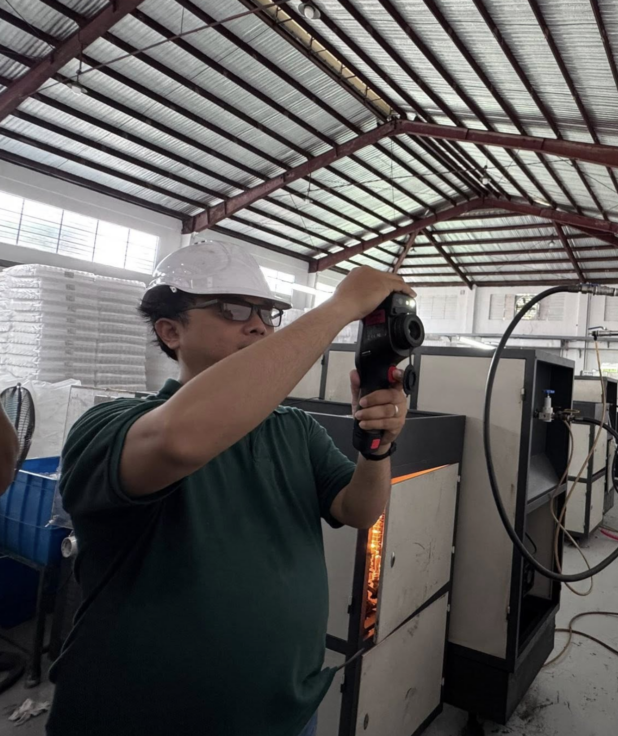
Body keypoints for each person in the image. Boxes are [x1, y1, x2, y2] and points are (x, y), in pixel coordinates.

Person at [48, 241, 414, 736]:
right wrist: (341, 306)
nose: (259, 324)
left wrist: (376, 448)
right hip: (143, 719)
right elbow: (180, 439)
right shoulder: (109, 427)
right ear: (170, 331)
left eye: (268, 312)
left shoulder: (294, 430)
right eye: (234, 309)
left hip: (286, 713)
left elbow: (358, 510)